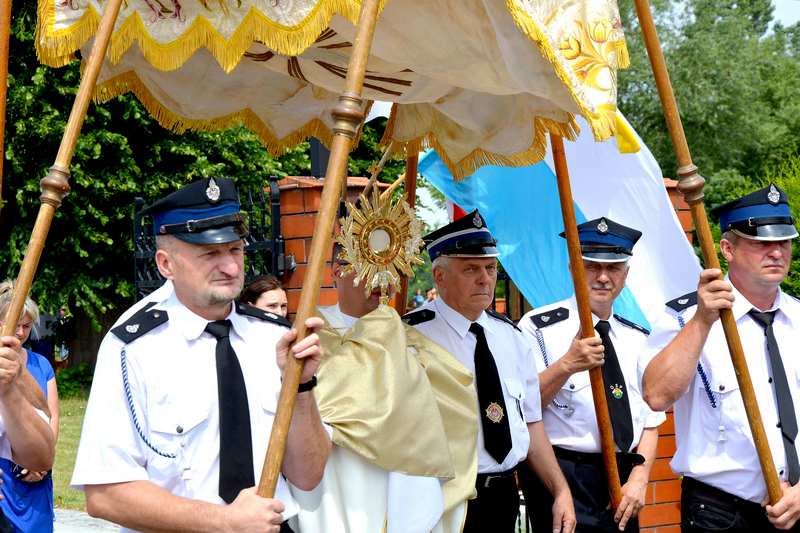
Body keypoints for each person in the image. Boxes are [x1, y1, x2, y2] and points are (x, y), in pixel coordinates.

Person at [71, 177, 329, 533]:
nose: (231, 267)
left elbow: (308, 476)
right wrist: (226, 522)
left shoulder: (273, 337)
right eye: (210, 254)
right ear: (166, 264)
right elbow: (105, 494)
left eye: (235, 250)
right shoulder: (133, 349)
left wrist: (301, 387)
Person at [290, 232, 477, 532]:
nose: (382, 280)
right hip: (340, 475)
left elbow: (446, 409)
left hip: (399, 478)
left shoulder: (411, 339)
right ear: (337, 271)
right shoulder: (311, 335)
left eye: (389, 268)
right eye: (369, 266)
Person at [404, 210, 576, 533]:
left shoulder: (512, 337)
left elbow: (531, 423)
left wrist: (560, 490)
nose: (485, 278)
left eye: (490, 268)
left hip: (504, 497)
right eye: (471, 269)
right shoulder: (411, 338)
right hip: (443, 501)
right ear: (439, 276)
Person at [643, 183, 800, 531]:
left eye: (784, 242)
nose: (776, 252)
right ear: (728, 249)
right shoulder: (685, 318)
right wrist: (702, 322)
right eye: (762, 243)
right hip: (720, 513)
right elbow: (656, 395)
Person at [518, 218, 664, 532]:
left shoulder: (638, 337)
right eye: (591, 266)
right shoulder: (538, 328)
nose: (603, 277)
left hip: (624, 481)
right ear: (573, 268)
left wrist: (639, 479)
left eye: (613, 268)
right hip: (562, 474)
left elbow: (650, 422)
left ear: (625, 274)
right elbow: (523, 410)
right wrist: (566, 365)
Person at [0, 281, 59, 532]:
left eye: (26, 326)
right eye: (16, 324)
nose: (21, 332)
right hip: (4, 478)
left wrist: (42, 464)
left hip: (37, 477)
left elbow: (50, 415)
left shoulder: (41, 365)